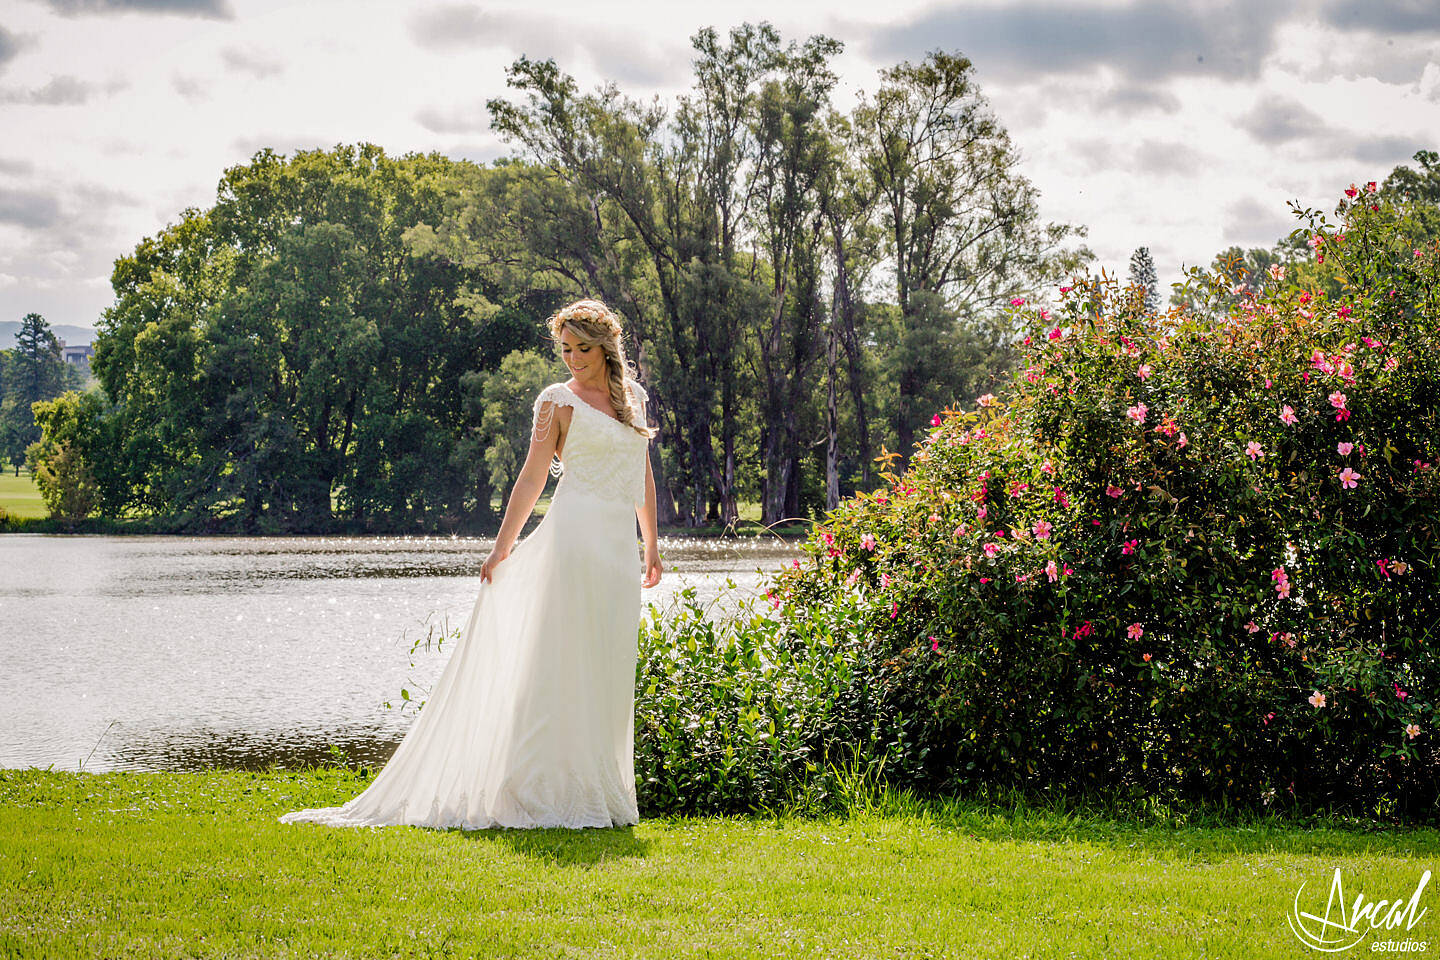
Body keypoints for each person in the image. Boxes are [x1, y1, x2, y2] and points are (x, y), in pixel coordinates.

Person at [278, 298, 663, 830]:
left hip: (617, 551)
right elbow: (531, 478)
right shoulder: (557, 401)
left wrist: (652, 544)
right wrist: (502, 546)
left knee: (607, 663)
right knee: (560, 663)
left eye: (583, 349)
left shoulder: (632, 399)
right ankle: (534, 789)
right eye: (566, 349)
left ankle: (601, 792)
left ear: (606, 348)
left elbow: (640, 473)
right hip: (572, 542)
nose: (572, 359)